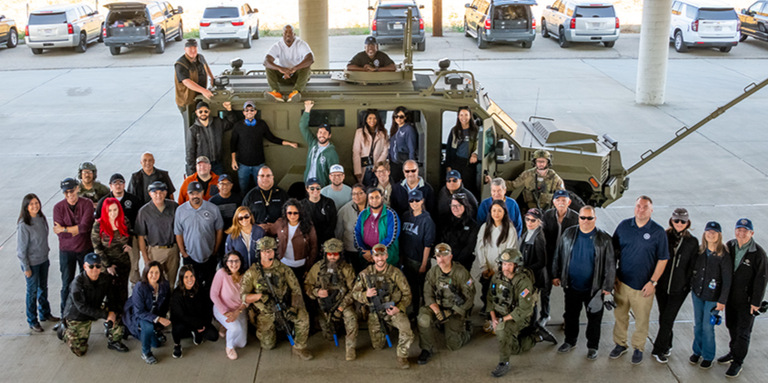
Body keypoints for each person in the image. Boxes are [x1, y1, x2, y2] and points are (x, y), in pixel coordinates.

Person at [610, 196, 669, 365]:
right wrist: (613, 276)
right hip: (622, 283)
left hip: (644, 286)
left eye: (645, 207)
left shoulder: (657, 232)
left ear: (651, 210)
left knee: (642, 319)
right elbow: (613, 252)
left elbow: (663, 259)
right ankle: (620, 344)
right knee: (620, 316)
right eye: (638, 206)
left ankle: (638, 347)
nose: (640, 210)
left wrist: (653, 282)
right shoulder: (623, 226)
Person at [552, 206, 615, 360]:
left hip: (594, 289)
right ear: (578, 218)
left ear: (595, 219)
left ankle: (592, 346)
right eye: (583, 217)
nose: (585, 221)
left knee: (594, 319)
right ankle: (570, 341)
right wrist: (555, 274)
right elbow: (558, 254)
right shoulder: (568, 234)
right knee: (571, 315)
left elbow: (610, 264)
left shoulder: (604, 239)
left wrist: (607, 286)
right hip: (572, 285)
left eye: (589, 218)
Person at [487, 248, 558, 377]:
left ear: (516, 266)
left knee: (502, 330)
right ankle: (537, 337)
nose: (506, 268)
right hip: (502, 314)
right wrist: (493, 318)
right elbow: (490, 299)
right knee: (514, 349)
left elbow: (523, 310)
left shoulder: (523, 282)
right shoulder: (497, 277)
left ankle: (504, 363)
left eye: (509, 264)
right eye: (504, 264)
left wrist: (501, 321)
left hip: (520, 317)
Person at [241, 237, 313, 359]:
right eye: (264, 251)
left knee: (303, 317)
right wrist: (259, 296)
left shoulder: (284, 269)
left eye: (270, 250)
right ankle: (266, 331)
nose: (267, 253)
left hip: (283, 306)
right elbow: (244, 296)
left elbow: (296, 289)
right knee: (268, 345)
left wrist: (294, 308)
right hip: (265, 311)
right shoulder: (252, 272)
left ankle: (299, 347)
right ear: (259, 252)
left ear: (274, 251)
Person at [352, 244, 414, 369]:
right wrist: (366, 295)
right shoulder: (365, 274)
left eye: (382, 255)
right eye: (376, 256)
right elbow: (354, 293)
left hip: (393, 309)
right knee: (378, 346)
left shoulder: (396, 273)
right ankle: (387, 328)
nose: (380, 258)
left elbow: (407, 294)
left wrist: (400, 307)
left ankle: (402, 356)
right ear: (373, 257)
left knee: (405, 328)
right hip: (375, 312)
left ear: (386, 256)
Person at [720, 218, 767, 378]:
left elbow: (761, 279)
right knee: (731, 326)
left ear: (751, 233)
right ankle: (733, 352)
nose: (741, 233)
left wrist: (756, 302)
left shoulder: (758, 254)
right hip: (731, 298)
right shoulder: (730, 246)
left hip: (747, 302)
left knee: (743, 332)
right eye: (739, 229)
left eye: (745, 230)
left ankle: (738, 362)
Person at [58, 253, 129, 356]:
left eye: (98, 266)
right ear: (85, 267)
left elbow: (112, 297)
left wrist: (112, 312)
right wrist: (105, 315)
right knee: (80, 351)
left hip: (95, 306)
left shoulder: (105, 279)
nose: (94, 269)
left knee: (118, 311)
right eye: (91, 266)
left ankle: (114, 341)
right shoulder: (77, 284)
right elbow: (82, 307)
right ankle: (64, 331)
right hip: (78, 315)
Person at [651, 208, 698, 363]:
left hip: (679, 289)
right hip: (662, 286)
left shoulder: (692, 242)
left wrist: (687, 285)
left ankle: (658, 349)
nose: (679, 223)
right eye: (676, 220)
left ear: (687, 222)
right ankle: (667, 344)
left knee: (668, 319)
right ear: (671, 220)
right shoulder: (663, 236)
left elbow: (693, 266)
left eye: (683, 221)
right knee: (663, 316)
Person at [416, 243, 475, 365]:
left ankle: (467, 329)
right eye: (438, 256)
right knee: (423, 318)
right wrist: (437, 312)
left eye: (444, 255)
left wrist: (451, 312)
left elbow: (469, 298)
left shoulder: (461, 273)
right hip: (438, 307)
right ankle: (426, 349)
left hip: (454, 310)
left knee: (453, 345)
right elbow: (427, 294)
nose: (441, 259)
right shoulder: (433, 273)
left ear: (451, 256)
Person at [304, 239, 358, 360]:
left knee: (351, 318)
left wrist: (342, 307)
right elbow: (307, 285)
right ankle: (336, 326)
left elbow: (354, 291)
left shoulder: (347, 269)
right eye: (329, 254)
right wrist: (316, 292)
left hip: (343, 303)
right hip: (324, 305)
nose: (332, 256)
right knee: (329, 335)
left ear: (340, 254)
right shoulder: (317, 268)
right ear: (325, 253)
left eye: (335, 253)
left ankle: (350, 348)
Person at [689, 221, 732, 370]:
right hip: (698, 294)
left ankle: (708, 356)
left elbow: (727, 280)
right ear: (704, 234)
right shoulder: (700, 252)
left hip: (713, 298)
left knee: (708, 327)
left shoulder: (723, 255)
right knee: (698, 325)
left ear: (719, 235)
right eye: (708, 231)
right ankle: (697, 351)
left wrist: (722, 301)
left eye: (714, 232)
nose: (711, 234)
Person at [230, 100, 298, 192]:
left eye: (251, 110)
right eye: (247, 110)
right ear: (243, 112)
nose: (249, 112)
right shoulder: (237, 126)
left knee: (262, 189)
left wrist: (289, 143)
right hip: (243, 165)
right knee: (243, 189)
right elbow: (233, 143)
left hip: (259, 164)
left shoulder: (262, 124)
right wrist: (233, 160)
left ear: (255, 111)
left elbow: (272, 138)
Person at [54, 178, 95, 320]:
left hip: (85, 249)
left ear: (77, 188)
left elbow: (85, 227)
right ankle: (64, 315)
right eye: (66, 193)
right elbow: (59, 233)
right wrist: (73, 230)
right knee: (67, 283)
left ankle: (88, 312)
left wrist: (65, 229)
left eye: (71, 191)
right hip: (66, 251)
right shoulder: (58, 208)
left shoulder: (87, 203)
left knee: (88, 282)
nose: (69, 195)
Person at [17, 193, 58, 332]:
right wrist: (26, 267)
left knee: (43, 288)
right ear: (26, 207)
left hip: (43, 260)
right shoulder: (24, 225)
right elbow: (21, 250)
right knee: (32, 292)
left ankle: (45, 313)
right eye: (31, 204)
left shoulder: (41, 218)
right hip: (32, 263)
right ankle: (32, 320)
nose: (35, 206)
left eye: (36, 203)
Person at [95, 174, 143, 285]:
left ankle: (135, 287)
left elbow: (140, 220)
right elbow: (98, 220)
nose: (118, 186)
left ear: (124, 184)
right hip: (109, 240)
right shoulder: (103, 201)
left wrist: (131, 240)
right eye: (115, 183)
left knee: (133, 264)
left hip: (129, 238)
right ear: (110, 186)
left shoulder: (133, 200)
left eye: (120, 183)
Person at [175, 181, 224, 290]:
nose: (195, 196)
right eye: (192, 193)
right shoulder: (180, 211)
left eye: (198, 193)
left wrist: (215, 250)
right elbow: (178, 233)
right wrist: (183, 253)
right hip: (190, 257)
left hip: (209, 256)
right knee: (191, 286)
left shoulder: (213, 208)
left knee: (210, 286)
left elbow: (219, 229)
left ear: (202, 193)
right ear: (188, 194)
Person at [475, 200, 519, 319]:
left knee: (500, 292)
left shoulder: (510, 229)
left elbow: (510, 251)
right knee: (486, 291)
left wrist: (496, 269)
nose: (496, 213)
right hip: (487, 269)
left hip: (502, 269)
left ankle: (499, 313)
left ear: (505, 212)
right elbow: (480, 247)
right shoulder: (485, 227)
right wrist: (484, 267)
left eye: (500, 210)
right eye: (494, 210)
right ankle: (487, 309)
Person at [540, 189, 579, 325]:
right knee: (545, 289)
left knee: (568, 291)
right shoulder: (547, 215)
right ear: (553, 202)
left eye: (564, 200)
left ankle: (567, 318)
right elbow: (542, 236)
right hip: (550, 257)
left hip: (567, 259)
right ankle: (545, 315)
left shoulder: (576, 218)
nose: (561, 203)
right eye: (558, 200)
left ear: (569, 202)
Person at [123, 261, 172, 365]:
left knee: (157, 344)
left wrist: (160, 323)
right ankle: (146, 353)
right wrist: (158, 319)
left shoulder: (165, 285)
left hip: (153, 315)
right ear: (146, 273)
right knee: (148, 327)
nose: (154, 275)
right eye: (151, 272)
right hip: (137, 314)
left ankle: (134, 332)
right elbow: (139, 312)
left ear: (161, 273)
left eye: (157, 272)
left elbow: (165, 305)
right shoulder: (139, 287)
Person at [135, 181, 180, 289]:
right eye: (155, 192)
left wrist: (181, 249)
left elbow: (180, 230)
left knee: (171, 281)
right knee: (155, 282)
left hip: (172, 249)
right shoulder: (144, 211)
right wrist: (146, 259)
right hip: (155, 250)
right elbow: (140, 237)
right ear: (150, 194)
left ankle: (169, 304)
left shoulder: (174, 206)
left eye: (161, 192)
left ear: (166, 193)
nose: (158, 195)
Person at [91, 198, 132, 310]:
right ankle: (111, 321)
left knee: (123, 291)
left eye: (115, 209)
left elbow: (131, 234)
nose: (113, 213)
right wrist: (108, 265)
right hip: (106, 265)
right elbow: (97, 248)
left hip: (123, 263)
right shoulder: (98, 225)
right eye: (110, 210)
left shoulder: (125, 221)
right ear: (105, 211)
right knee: (110, 294)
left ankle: (123, 318)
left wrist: (130, 245)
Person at [400, 189, 436, 317]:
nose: (414, 203)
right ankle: (415, 311)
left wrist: (424, 264)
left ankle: (425, 313)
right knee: (412, 288)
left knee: (423, 289)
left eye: (417, 200)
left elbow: (428, 245)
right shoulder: (405, 216)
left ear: (422, 201)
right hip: (407, 258)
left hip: (419, 260)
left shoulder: (427, 220)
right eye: (411, 200)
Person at [170, 265, 219, 359]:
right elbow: (181, 316)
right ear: (181, 279)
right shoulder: (177, 294)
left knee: (214, 336)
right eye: (186, 277)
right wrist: (198, 326)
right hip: (184, 323)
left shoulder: (200, 289)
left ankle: (196, 333)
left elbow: (208, 307)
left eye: (192, 276)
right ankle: (177, 345)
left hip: (199, 321)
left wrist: (204, 324)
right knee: (177, 329)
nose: (190, 279)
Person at [263, 198, 319, 278]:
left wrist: (308, 267)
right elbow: (269, 233)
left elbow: (314, 247)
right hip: (283, 264)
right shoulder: (280, 223)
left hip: (301, 266)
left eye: (295, 213)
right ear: (285, 213)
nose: (292, 216)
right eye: (289, 213)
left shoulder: (308, 225)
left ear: (300, 213)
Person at [210, 251, 248, 360]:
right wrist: (225, 313)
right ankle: (229, 347)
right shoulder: (221, 273)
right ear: (226, 263)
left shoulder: (245, 276)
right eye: (230, 261)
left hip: (239, 310)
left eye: (236, 261)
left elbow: (247, 299)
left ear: (241, 262)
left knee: (241, 343)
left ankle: (226, 327)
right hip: (222, 308)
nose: (234, 264)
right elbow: (213, 294)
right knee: (235, 328)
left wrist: (237, 312)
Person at [175, 38, 214, 143]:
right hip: (187, 100)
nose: (193, 51)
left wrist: (212, 78)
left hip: (199, 97)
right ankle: (191, 149)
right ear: (185, 49)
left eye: (195, 48)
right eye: (190, 48)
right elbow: (186, 82)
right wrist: (203, 91)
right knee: (191, 127)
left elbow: (206, 67)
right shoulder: (181, 64)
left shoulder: (200, 57)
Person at [500, 149, 565, 211]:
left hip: (548, 213)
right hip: (531, 212)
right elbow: (513, 185)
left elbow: (562, 196)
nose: (541, 164)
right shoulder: (527, 175)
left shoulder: (554, 178)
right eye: (538, 161)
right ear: (534, 162)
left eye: (543, 161)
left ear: (548, 162)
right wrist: (496, 183)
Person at [264, 25, 314, 102]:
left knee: (306, 66)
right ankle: (276, 92)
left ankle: (295, 92)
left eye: (290, 32)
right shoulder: (277, 46)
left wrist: (294, 69)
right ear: (282, 35)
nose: (288, 34)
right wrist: (280, 69)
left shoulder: (301, 44)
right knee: (269, 67)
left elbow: (310, 59)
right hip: (282, 76)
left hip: (297, 77)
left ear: (294, 34)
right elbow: (266, 61)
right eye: (285, 32)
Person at [354, 187, 400, 271]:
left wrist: (373, 252)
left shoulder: (391, 214)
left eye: (377, 197)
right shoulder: (363, 214)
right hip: (366, 258)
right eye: (371, 197)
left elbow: (391, 237)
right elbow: (356, 234)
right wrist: (364, 251)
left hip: (386, 258)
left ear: (382, 198)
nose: (374, 200)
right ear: (367, 199)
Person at [185, 101, 235, 176]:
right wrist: (192, 171)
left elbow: (230, 123)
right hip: (202, 166)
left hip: (217, 163)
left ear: (209, 111)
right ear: (196, 112)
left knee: (217, 185)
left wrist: (229, 110)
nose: (203, 113)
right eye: (200, 111)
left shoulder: (218, 122)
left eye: (205, 111)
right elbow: (190, 151)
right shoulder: (193, 130)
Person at [300, 100, 340, 187]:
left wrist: (330, 190)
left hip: (322, 187)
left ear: (329, 135)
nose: (322, 135)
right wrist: (307, 109)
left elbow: (334, 174)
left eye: (325, 133)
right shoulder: (312, 143)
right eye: (320, 132)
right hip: (308, 184)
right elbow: (303, 127)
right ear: (317, 134)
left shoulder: (332, 153)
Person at [439, 193, 480, 272]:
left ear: (465, 206)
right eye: (453, 205)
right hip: (446, 262)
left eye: (459, 205)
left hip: (463, 265)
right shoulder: (445, 221)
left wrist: (455, 263)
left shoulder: (473, 225)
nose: (455, 208)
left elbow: (469, 247)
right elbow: (442, 241)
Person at [519, 208, 547, 321]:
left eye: (533, 220)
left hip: (534, 278)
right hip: (528, 276)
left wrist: (526, 269)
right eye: (527, 219)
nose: (529, 222)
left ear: (539, 222)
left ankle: (533, 326)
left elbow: (542, 262)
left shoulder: (538, 238)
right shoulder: (528, 233)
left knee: (531, 302)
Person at [445, 107, 480, 196]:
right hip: (457, 162)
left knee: (468, 186)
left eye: (466, 115)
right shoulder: (454, 131)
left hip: (469, 164)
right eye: (461, 115)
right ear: (458, 116)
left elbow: (479, 144)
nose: (463, 117)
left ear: (470, 116)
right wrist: (448, 166)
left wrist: (475, 154)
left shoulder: (475, 130)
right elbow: (449, 149)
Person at [352, 110, 389, 185]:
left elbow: (385, 150)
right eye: (370, 118)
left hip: (377, 166)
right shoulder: (360, 132)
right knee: (365, 188)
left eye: (375, 118)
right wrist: (357, 170)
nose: (372, 120)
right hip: (364, 166)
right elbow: (356, 152)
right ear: (366, 119)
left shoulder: (383, 132)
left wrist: (377, 165)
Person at [336, 184, 367, 266]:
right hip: (350, 251)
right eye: (354, 194)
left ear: (366, 193)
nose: (356, 196)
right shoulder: (344, 211)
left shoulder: (374, 208)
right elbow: (338, 233)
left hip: (369, 250)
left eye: (360, 193)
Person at [302, 177, 337, 246]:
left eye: (318, 188)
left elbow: (333, 222)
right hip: (308, 241)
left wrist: (323, 239)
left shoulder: (328, 203)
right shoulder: (301, 205)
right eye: (312, 188)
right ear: (307, 189)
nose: (315, 190)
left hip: (326, 241)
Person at [388, 106, 418, 184]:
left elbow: (411, 148)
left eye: (401, 117)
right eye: (396, 116)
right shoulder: (395, 128)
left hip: (403, 162)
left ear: (405, 117)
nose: (398, 119)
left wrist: (411, 166)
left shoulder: (408, 129)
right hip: (394, 162)